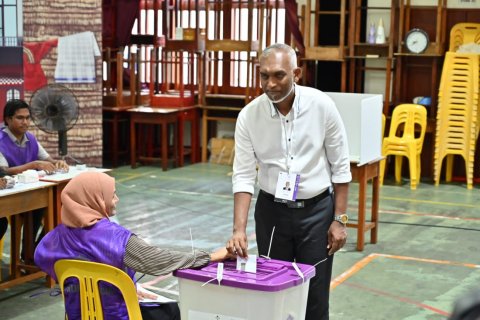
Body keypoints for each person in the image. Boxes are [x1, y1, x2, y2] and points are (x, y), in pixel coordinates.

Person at [226, 43, 352, 320]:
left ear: (296, 73)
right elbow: (244, 175)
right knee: (274, 291)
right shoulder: (249, 116)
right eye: (263, 75)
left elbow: (341, 168)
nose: (270, 84)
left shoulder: (322, 106)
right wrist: (238, 230)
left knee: (315, 294)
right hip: (272, 214)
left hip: (317, 213)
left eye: (279, 75)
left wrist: (339, 220)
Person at [34, 172, 234, 320]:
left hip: (79, 314)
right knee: (171, 311)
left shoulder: (53, 238)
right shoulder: (117, 239)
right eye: (111, 195)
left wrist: (113, 285)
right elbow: (159, 261)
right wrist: (212, 256)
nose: (117, 200)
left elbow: (45, 259)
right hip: (117, 315)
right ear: (94, 199)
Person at [0, 99, 69, 262]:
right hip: (11, 196)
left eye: (27, 117)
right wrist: (35, 164)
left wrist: (57, 163)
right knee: (37, 209)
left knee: (57, 209)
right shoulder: (1, 141)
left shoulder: (30, 138)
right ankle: (30, 256)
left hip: (31, 193)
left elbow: (47, 159)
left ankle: (35, 253)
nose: (25, 122)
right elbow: (3, 170)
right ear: (8, 120)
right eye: (20, 118)